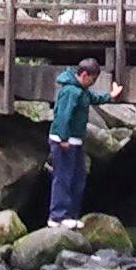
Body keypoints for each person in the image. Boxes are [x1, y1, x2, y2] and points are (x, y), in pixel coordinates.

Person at [49, 58, 121, 228]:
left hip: (75, 141)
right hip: (63, 141)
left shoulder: (81, 90)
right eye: (93, 79)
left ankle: (71, 215)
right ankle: (57, 216)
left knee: (77, 178)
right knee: (63, 178)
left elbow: (94, 98)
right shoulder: (71, 91)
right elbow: (62, 117)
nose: (93, 83)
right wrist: (64, 138)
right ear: (83, 74)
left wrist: (111, 96)